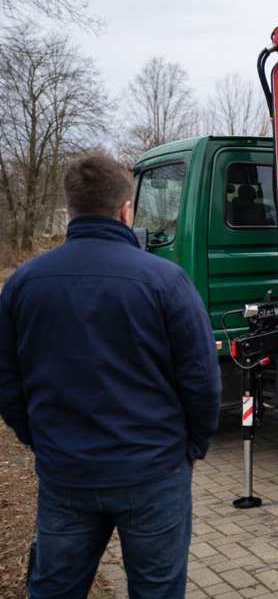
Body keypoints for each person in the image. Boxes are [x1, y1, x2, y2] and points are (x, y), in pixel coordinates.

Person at [0, 154, 221, 598]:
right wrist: (193, 447)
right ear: (126, 210)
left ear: (70, 211)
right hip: (154, 471)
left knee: (54, 590)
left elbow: (8, 383)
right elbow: (202, 380)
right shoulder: (168, 281)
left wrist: (40, 440)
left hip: (66, 474)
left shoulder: (22, 283)